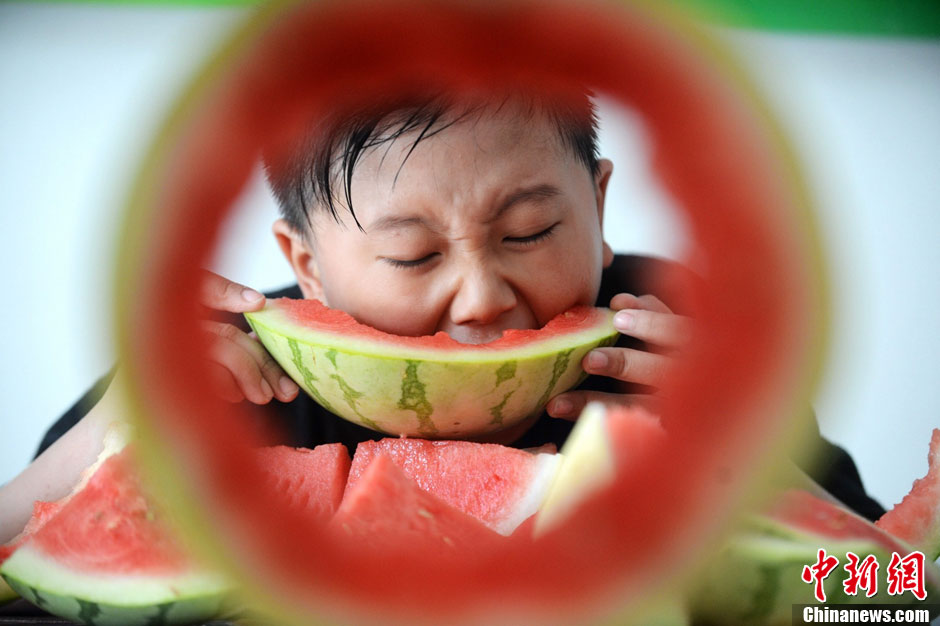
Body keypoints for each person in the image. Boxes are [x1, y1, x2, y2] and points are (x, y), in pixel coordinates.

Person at [0, 89, 883, 546]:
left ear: (601, 207)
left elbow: (887, 592)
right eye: (413, 255)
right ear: (305, 265)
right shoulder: (223, 375)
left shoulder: (684, 344)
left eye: (529, 231)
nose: (481, 298)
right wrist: (112, 437)